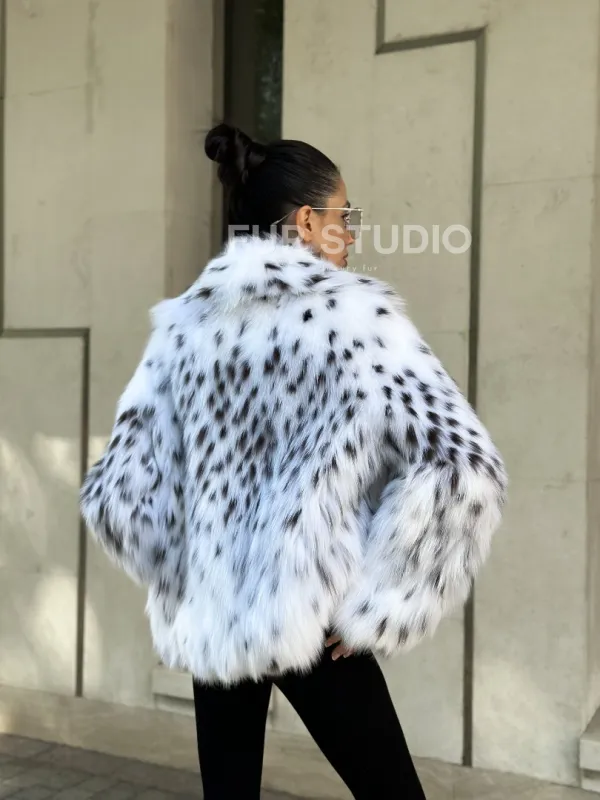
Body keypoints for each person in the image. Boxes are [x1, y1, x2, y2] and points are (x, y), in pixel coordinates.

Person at [80, 123, 507, 799]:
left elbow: (118, 493)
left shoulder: (188, 326)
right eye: (346, 217)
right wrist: (381, 594)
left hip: (218, 613)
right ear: (307, 222)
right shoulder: (355, 319)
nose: (352, 235)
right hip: (313, 613)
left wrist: (195, 568)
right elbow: (463, 466)